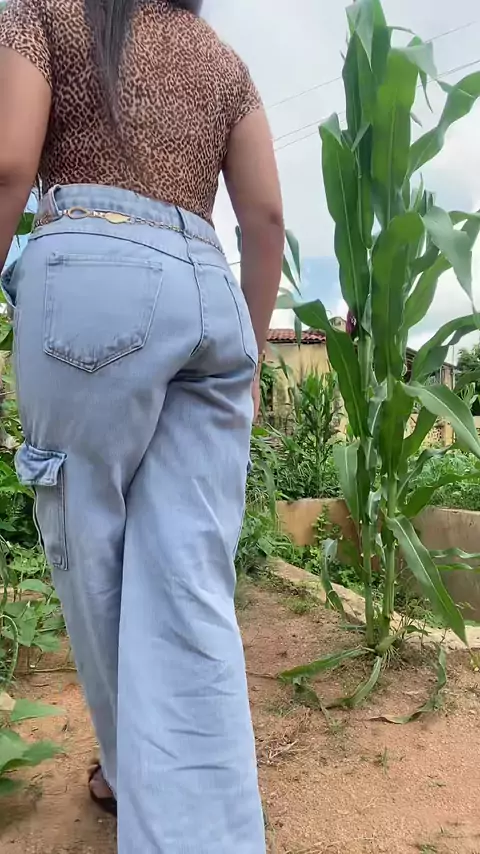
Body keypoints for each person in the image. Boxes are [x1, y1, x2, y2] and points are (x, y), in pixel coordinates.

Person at [0, 1, 284, 851]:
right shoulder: (222, 60)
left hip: (90, 272)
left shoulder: (43, 12)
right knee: (191, 576)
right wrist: (252, 357)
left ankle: (133, 770)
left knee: (92, 558)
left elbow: (10, 163)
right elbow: (265, 218)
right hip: (208, 296)